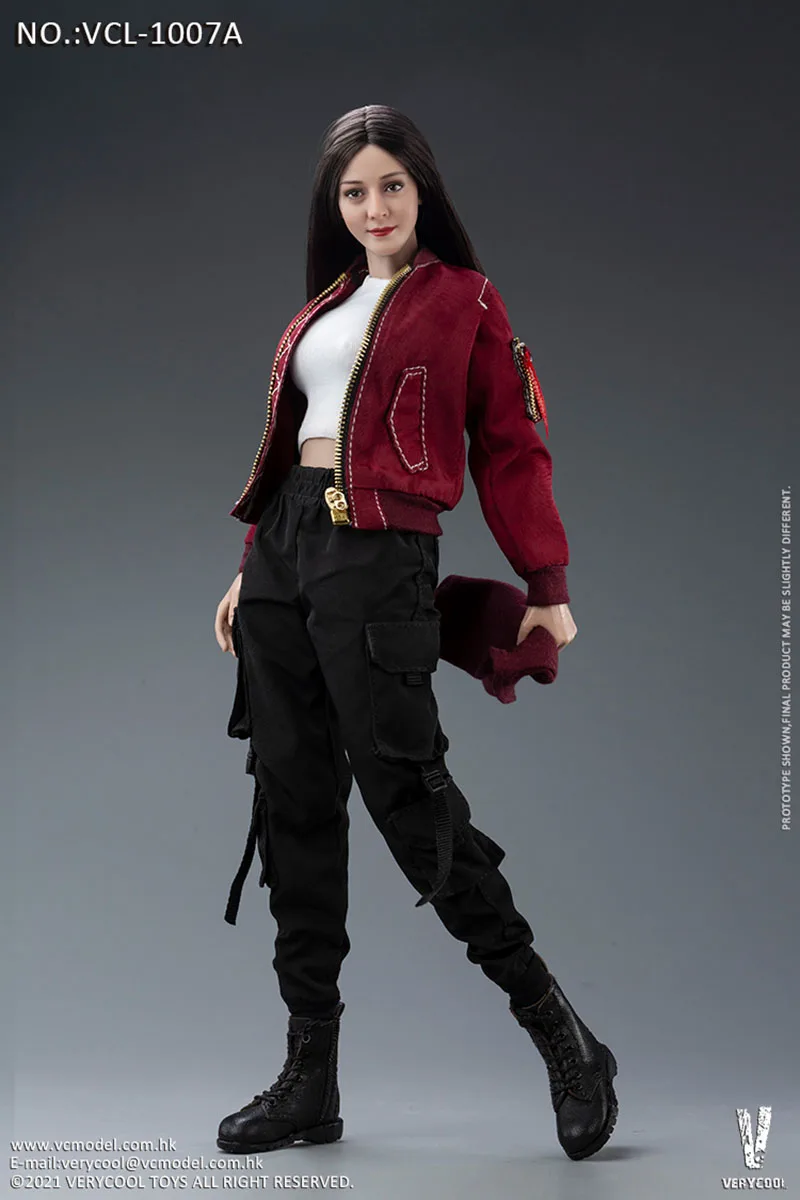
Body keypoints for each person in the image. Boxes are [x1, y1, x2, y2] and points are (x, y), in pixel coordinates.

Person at [212, 104, 618, 1162]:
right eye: (354, 191)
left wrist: (545, 578)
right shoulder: (325, 305)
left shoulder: (462, 300)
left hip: (379, 558)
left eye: (391, 184)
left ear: (421, 189)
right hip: (285, 552)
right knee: (293, 801)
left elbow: (510, 444)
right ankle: (309, 1079)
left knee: (409, 800)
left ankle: (563, 1034)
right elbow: (291, 447)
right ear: (335, 205)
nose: (374, 206)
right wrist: (250, 566)